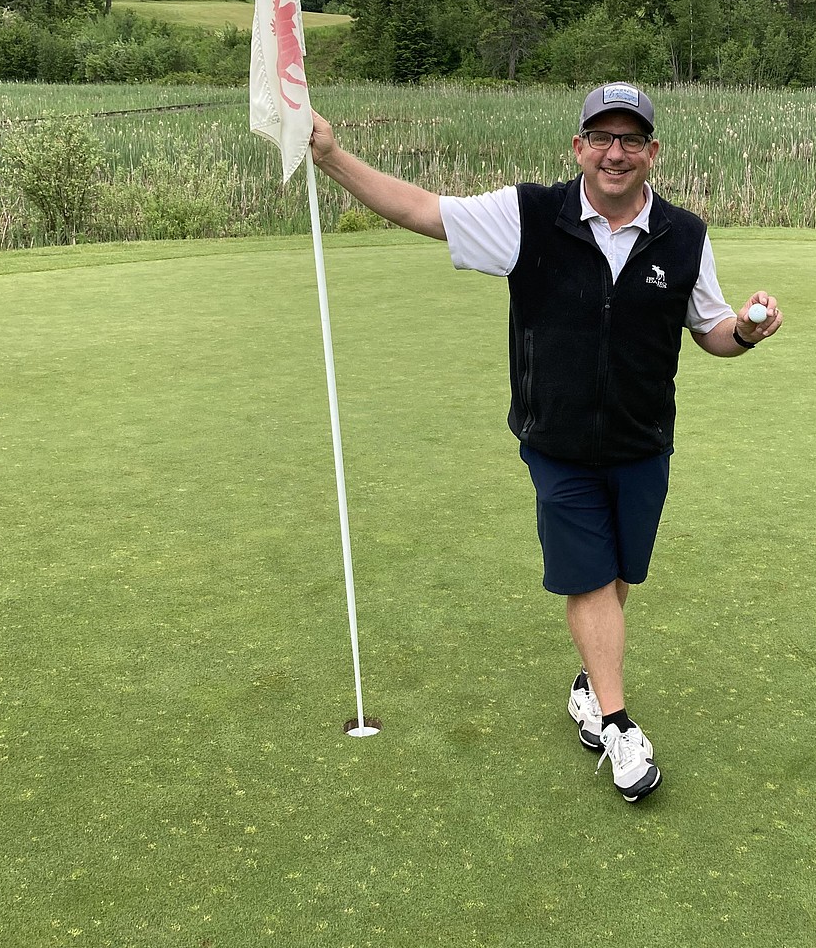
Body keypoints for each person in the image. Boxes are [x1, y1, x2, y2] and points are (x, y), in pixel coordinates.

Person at [310, 82, 781, 803]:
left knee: (620, 573)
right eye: (602, 138)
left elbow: (711, 329)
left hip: (643, 440)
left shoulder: (685, 235)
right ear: (578, 147)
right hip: (556, 442)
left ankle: (590, 685)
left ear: (653, 153)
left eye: (631, 140)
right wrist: (334, 157)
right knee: (589, 576)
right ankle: (620, 728)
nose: (615, 153)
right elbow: (421, 210)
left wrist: (744, 333)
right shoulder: (528, 214)